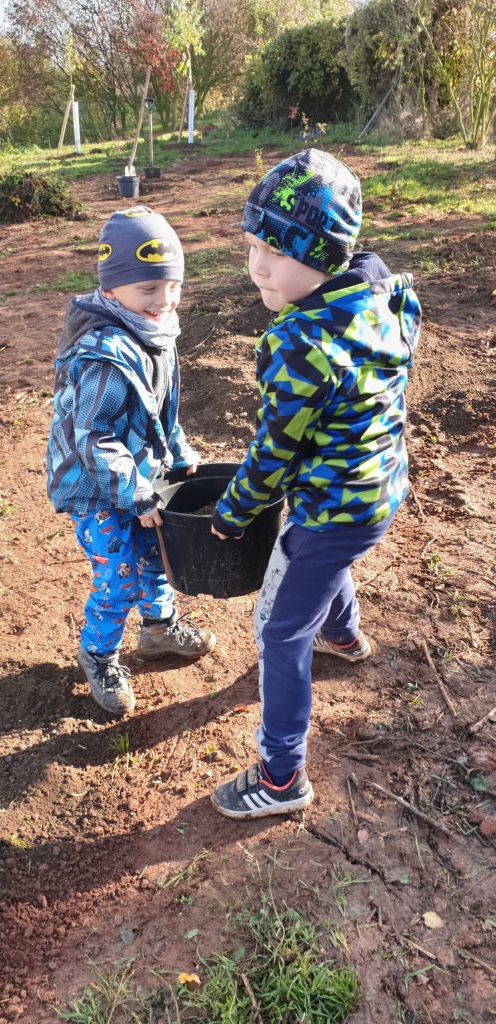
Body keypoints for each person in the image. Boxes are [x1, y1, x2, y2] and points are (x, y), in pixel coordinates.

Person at [209, 149, 421, 819]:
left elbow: (274, 452)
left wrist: (232, 512)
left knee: (279, 630)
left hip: (330, 508)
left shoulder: (299, 343)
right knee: (327, 565)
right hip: (380, 488)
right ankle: (346, 637)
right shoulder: (384, 298)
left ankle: (281, 777)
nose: (257, 266)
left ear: (322, 255)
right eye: (252, 246)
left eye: (276, 250)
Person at [46, 206, 215, 716]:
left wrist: (178, 452)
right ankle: (98, 655)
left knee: (156, 552)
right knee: (119, 575)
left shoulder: (153, 333)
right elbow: (93, 439)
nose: (164, 300)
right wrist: (137, 492)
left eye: (173, 286)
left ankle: (159, 629)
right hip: (94, 486)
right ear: (112, 286)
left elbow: (161, 412)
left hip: (137, 477)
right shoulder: (103, 356)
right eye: (148, 289)